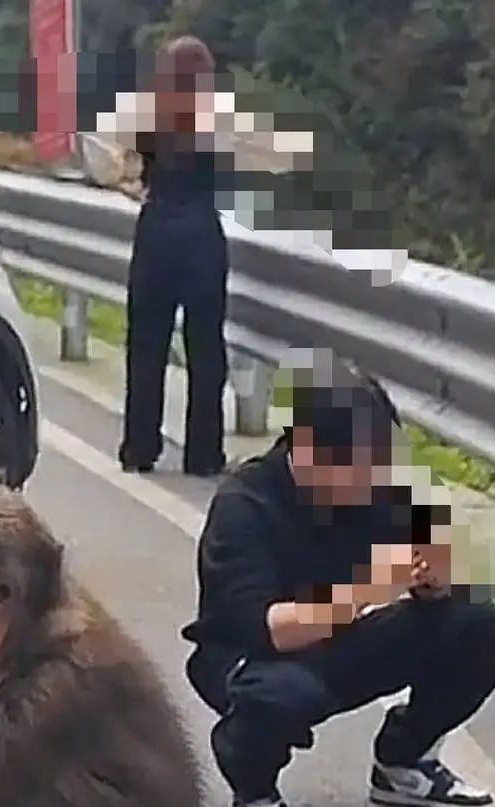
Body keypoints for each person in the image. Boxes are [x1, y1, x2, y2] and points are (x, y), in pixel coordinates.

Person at [183, 358, 495, 807]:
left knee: (475, 617)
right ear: (310, 451)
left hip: (340, 639)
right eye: (362, 465)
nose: (375, 477)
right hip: (254, 655)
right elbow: (267, 629)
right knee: (281, 694)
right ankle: (250, 774)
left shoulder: (381, 487)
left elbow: (436, 559)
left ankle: (404, 759)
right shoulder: (245, 504)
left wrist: (436, 579)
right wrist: (366, 589)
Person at [87, 36, 312, 479]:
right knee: (206, 348)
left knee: (146, 344)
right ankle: (203, 453)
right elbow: (282, 156)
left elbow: (105, 160)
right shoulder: (219, 115)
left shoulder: (145, 112)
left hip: (155, 229)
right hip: (201, 233)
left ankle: (139, 447)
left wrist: (133, 183)